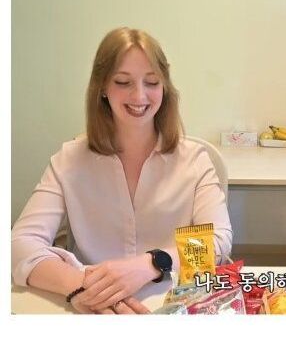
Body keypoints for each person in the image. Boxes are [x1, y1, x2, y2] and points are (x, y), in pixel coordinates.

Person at [11, 28, 232, 314]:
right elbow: (19, 244)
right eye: (123, 82)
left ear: (164, 87)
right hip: (92, 309)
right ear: (102, 87)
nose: (139, 95)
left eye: (151, 82)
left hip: (172, 306)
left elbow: (217, 242)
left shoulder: (195, 160)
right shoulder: (69, 160)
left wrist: (151, 264)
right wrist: (83, 287)